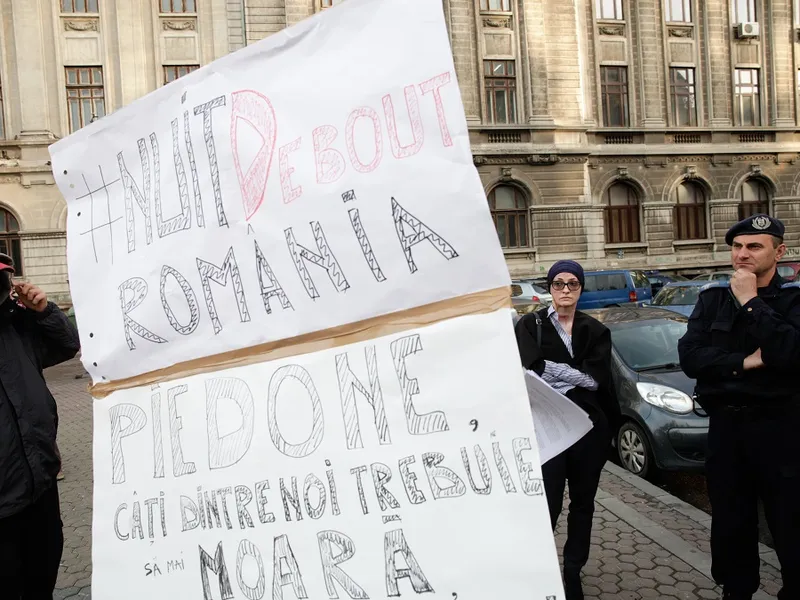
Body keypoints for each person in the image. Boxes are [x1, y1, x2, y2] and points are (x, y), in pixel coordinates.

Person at [678, 214, 800, 600]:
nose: (742, 254)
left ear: (778, 252)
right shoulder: (711, 300)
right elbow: (691, 358)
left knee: (791, 526)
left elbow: (789, 352)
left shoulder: (794, 302)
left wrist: (750, 301)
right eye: (737, 246)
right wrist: (746, 363)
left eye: (754, 246)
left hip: (781, 432)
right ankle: (737, 590)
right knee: (732, 525)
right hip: (727, 432)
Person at [514, 260, 620, 600]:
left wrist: (551, 368)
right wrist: (569, 372)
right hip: (548, 428)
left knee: (583, 503)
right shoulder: (530, 325)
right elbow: (531, 371)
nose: (565, 290)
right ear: (549, 288)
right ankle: (540, 570)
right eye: (558, 283)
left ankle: (573, 570)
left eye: (573, 284)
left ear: (581, 288)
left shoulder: (595, 330)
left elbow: (595, 379)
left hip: (588, 428)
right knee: (548, 503)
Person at [0, 252, 81, 600]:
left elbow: (69, 345)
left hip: (41, 486)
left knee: (41, 580)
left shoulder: (18, 326)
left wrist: (45, 310)